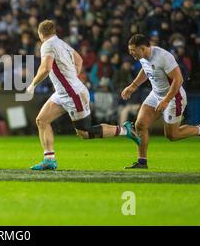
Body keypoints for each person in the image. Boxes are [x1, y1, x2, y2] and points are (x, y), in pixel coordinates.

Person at [26, 20, 140, 171]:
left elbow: (46, 68)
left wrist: (33, 84)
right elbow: (79, 59)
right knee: (42, 120)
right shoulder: (61, 43)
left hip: (73, 94)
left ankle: (125, 130)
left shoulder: (47, 44)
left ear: (40, 34)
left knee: (85, 132)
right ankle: (49, 159)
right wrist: (73, 77)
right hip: (64, 93)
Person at [121, 34, 200, 169]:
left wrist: (166, 100)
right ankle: (142, 162)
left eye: (132, 50)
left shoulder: (163, 57)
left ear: (142, 48)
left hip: (174, 97)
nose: (131, 53)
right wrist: (133, 86)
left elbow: (179, 79)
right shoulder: (142, 56)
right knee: (140, 125)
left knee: (172, 135)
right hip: (155, 94)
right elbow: (145, 69)